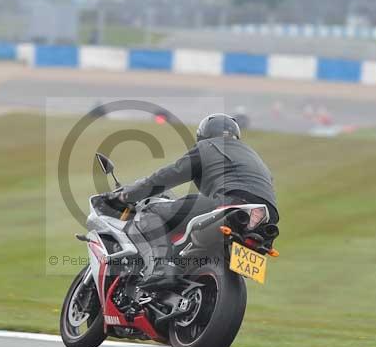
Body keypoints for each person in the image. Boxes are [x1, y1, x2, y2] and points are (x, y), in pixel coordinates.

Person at [117, 113, 279, 286]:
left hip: (232, 202)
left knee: (149, 213)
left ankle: (161, 268)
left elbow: (167, 176)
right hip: (266, 220)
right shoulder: (253, 155)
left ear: (204, 135)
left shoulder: (208, 146)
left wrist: (127, 194)